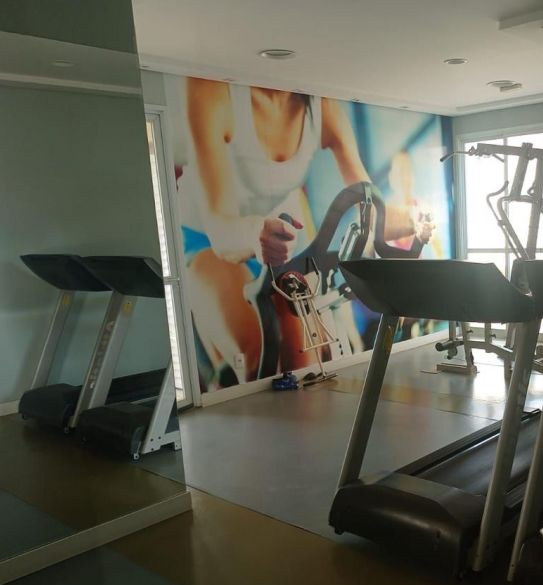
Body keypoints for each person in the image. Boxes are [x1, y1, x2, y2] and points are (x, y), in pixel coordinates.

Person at [182, 79, 435, 385]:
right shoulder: (213, 91)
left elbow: (369, 208)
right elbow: (221, 231)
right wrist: (253, 233)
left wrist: (414, 219)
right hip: (209, 238)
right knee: (257, 357)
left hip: (284, 239)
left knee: (309, 361)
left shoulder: (322, 106)